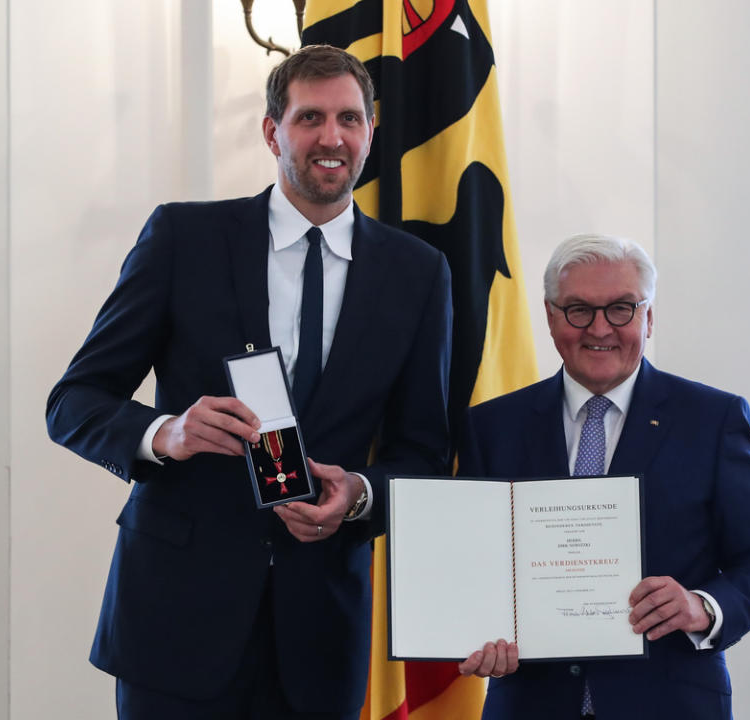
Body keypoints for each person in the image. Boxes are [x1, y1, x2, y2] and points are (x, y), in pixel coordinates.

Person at [46, 45, 451, 720]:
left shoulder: (419, 272)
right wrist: (164, 433)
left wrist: (356, 495)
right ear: (272, 131)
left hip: (323, 636)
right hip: (174, 626)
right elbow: (73, 401)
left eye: (350, 119)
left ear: (371, 131)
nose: (332, 138)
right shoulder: (183, 237)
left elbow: (426, 455)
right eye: (310, 118)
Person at [457, 234, 750, 719]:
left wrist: (702, 607)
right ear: (551, 317)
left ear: (648, 317)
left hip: (671, 704)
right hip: (530, 704)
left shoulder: (712, 420)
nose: (600, 328)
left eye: (621, 309)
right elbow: (472, 568)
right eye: (578, 310)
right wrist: (479, 634)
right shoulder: (492, 427)